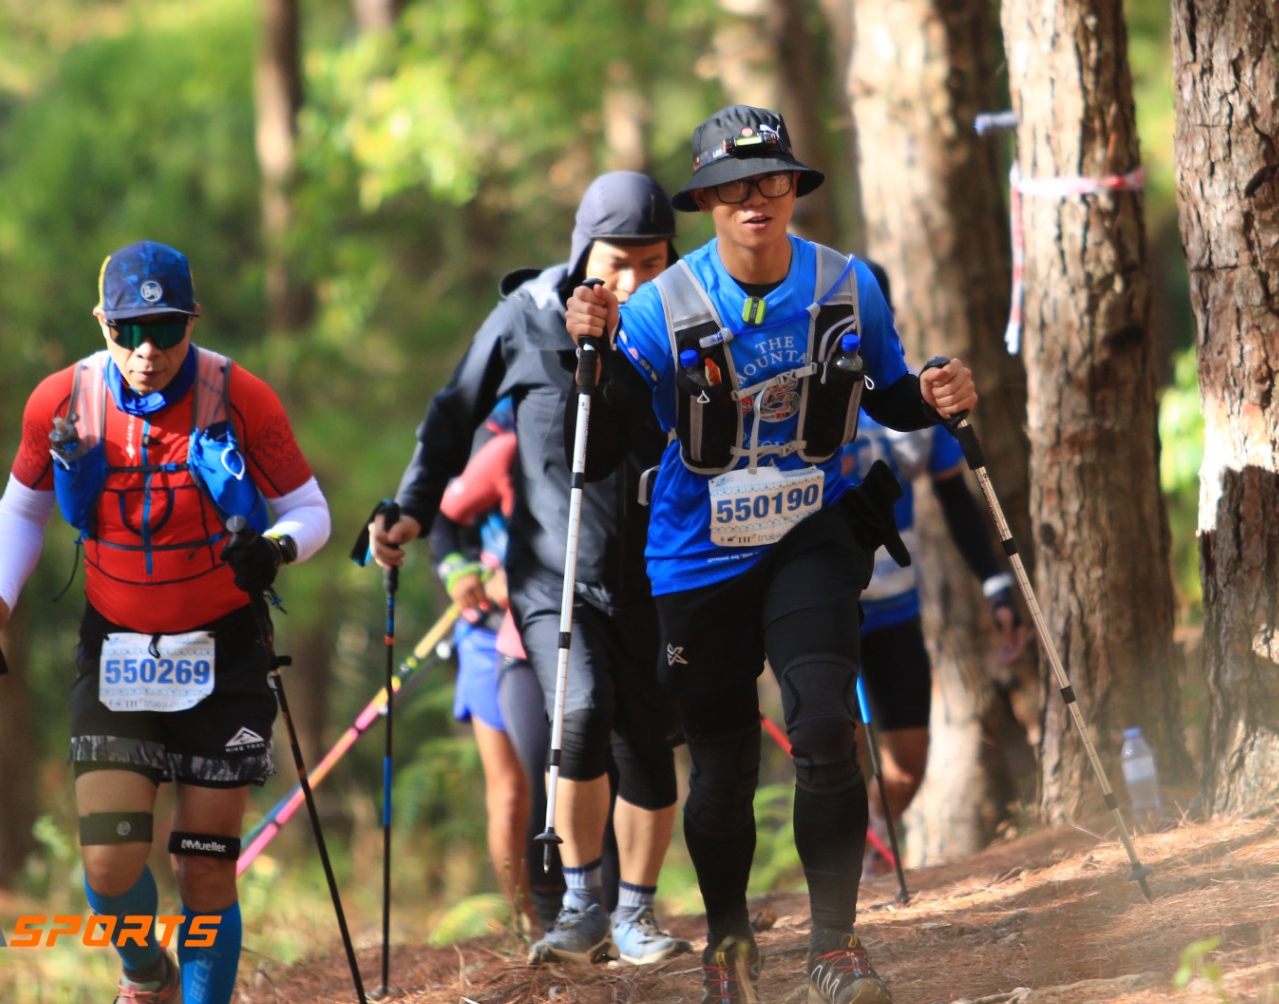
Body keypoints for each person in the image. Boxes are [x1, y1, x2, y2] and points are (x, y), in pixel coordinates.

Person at [565, 105, 980, 1004]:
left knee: (825, 728)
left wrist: (936, 393)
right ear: (705, 202)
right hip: (696, 556)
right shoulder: (659, 309)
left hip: (811, 535)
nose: (754, 198)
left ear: (794, 187)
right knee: (721, 769)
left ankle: (835, 948)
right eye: (732, 186)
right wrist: (591, 357)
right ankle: (729, 947)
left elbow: (890, 392)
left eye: (772, 179)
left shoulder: (845, 283)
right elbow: (596, 452)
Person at [0, 241, 330, 1004]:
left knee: (205, 868)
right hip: (118, 649)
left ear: (193, 320)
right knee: (108, 863)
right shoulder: (61, 400)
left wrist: (275, 549)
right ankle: (145, 973)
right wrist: (0, 596)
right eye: (127, 331)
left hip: (224, 651)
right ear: (101, 321)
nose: (146, 351)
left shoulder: (241, 397)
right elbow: (23, 509)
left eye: (164, 329)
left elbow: (309, 510)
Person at [367, 172, 690, 967]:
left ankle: (636, 914)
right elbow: (454, 412)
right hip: (552, 572)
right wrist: (412, 506)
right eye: (616, 263)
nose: (632, 281)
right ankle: (580, 905)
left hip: (661, 570)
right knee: (579, 714)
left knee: (647, 741)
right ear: (583, 254)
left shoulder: (686, 319)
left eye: (652, 263)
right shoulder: (526, 316)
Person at [835, 260, 1026, 851]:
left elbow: (955, 499)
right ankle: (840, 867)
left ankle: (870, 846)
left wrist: (996, 584)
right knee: (834, 755)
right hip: (822, 605)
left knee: (907, 764)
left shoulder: (915, 403)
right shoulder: (802, 395)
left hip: (894, 606)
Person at [427, 396, 548, 935]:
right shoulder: (494, 434)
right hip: (485, 632)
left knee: (569, 777)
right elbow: (441, 519)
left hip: (559, 624)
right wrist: (461, 572)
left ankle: (588, 908)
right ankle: (525, 922)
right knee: (512, 789)